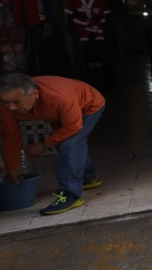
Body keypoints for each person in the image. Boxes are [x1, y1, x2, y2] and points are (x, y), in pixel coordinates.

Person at [0, 73, 106, 215]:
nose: (11, 107)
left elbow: (73, 126)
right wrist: (11, 168)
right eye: (6, 102)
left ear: (35, 94)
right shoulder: (6, 107)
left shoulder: (59, 96)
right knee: (63, 144)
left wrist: (43, 145)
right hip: (59, 112)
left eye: (16, 102)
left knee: (69, 145)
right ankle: (90, 178)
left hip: (89, 106)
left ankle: (71, 195)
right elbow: (10, 136)